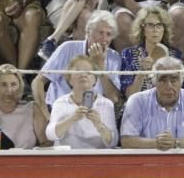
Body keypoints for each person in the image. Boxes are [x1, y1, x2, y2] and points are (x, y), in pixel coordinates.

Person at [33, 11, 122, 142]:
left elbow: (113, 98)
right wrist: (46, 114)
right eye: (100, 32)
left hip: (93, 113)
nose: (104, 39)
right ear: (88, 32)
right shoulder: (67, 48)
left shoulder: (114, 57)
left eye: (108, 34)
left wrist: (100, 68)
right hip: (61, 111)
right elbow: (38, 81)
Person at [120, 57, 184, 150]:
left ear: (181, 82)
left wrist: (175, 143)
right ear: (154, 82)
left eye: (173, 81)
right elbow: (126, 141)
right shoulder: (137, 101)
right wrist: (156, 144)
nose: (169, 86)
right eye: (163, 81)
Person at [45, 56, 118, 149]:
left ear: (95, 79)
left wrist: (99, 124)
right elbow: (50, 135)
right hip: (67, 157)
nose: (83, 75)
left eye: (88, 72)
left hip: (96, 158)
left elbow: (113, 142)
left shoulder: (106, 104)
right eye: (78, 71)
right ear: (69, 79)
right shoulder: (60, 103)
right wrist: (72, 118)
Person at [119, 6, 183, 99]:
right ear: (142, 29)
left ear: (164, 29)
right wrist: (141, 73)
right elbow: (129, 95)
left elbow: (181, 91)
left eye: (159, 25)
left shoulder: (175, 55)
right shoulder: (129, 54)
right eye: (150, 25)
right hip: (140, 106)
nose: (155, 30)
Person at [0, 65, 37, 149]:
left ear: (20, 86)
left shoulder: (33, 108)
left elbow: (46, 144)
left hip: (28, 160)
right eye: (3, 85)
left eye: (13, 84)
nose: (9, 90)